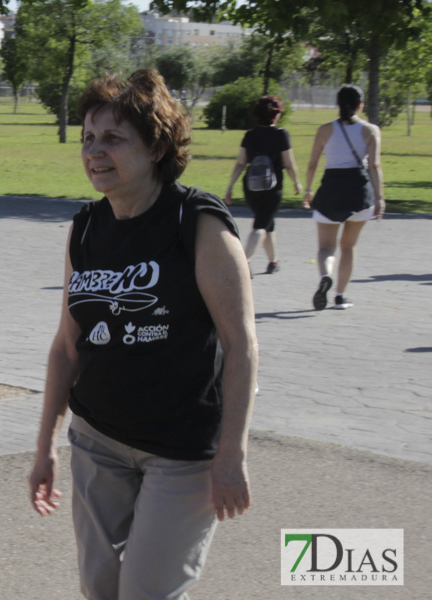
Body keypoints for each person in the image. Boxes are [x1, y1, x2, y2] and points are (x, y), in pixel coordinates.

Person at [28, 70, 258, 600]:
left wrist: (232, 453)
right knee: (101, 588)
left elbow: (241, 344)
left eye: (113, 138)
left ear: (156, 146)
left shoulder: (197, 223)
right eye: (88, 138)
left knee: (146, 591)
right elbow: (67, 346)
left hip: (181, 452)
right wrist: (44, 449)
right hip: (97, 440)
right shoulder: (86, 226)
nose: (94, 151)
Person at [301, 84, 385, 311]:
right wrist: (380, 198)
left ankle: (325, 275)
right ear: (361, 105)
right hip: (359, 191)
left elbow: (312, 164)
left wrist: (308, 190)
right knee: (349, 246)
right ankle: (340, 295)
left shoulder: (325, 130)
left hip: (331, 189)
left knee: (325, 247)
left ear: (338, 105)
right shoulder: (370, 130)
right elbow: (375, 165)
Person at [223, 96, 302, 275]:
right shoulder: (281, 134)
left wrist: (230, 186)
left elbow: (241, 163)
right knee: (260, 226)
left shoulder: (250, 135)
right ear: (276, 115)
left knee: (267, 223)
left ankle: (273, 262)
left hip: (250, 187)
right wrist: (297, 182)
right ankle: (241, 263)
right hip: (272, 188)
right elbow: (289, 164)